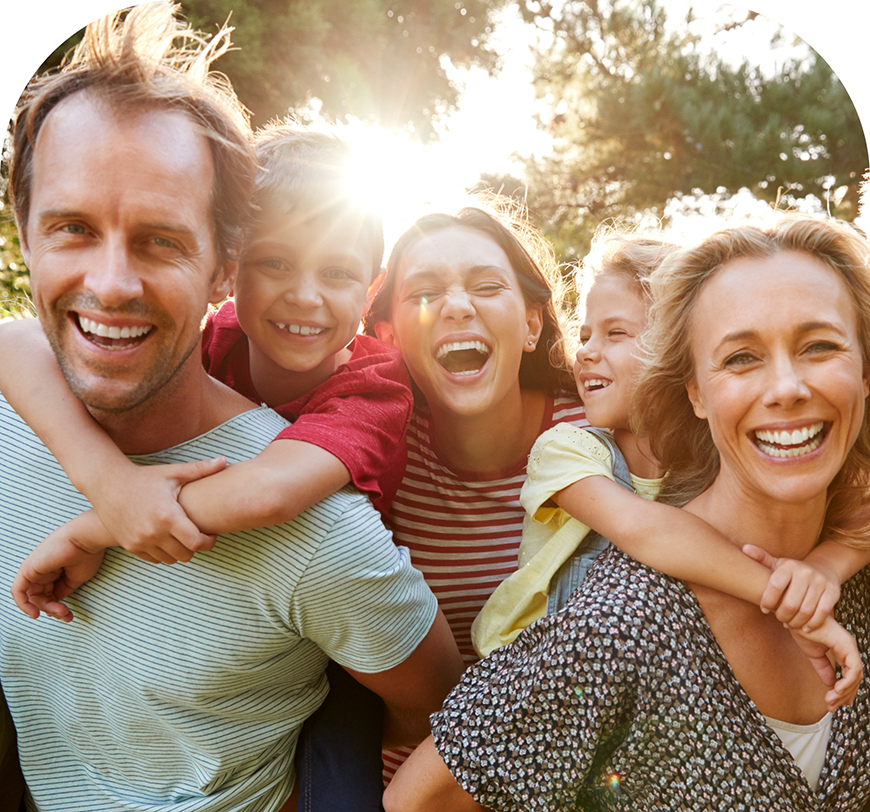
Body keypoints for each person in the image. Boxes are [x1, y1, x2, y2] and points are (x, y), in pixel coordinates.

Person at [0, 6, 462, 811]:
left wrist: (100, 522)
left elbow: (437, 699)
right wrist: (110, 482)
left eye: (159, 241)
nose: (112, 285)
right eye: (73, 227)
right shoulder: (24, 406)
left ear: (217, 265)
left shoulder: (329, 499)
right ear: (24, 234)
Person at [384, 214, 870, 811]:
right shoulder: (622, 620)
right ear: (694, 390)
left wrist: (827, 567)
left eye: (820, 345)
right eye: (741, 357)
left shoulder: (850, 563)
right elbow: (419, 800)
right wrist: (789, 595)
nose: (788, 387)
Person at [473, 231, 870, 659]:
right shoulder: (568, 448)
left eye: (616, 333)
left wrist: (825, 568)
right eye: (585, 335)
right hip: (532, 666)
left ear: (675, 353)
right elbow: (645, 530)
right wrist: (789, 600)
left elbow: (858, 498)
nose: (586, 352)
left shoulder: (716, 457)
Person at [363, 203, 587, 776]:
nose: (457, 305)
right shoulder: (369, 453)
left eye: (486, 285)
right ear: (387, 335)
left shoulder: (599, 442)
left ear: (533, 324)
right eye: (424, 292)